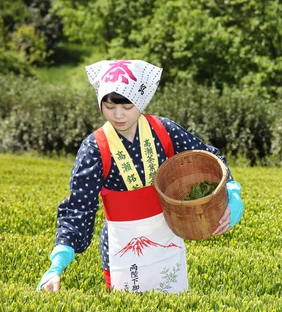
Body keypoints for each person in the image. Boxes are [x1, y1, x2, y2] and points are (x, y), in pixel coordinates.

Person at [37, 60, 244, 292]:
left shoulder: (164, 130)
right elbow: (79, 207)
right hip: (121, 246)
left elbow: (208, 159)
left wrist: (232, 192)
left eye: (127, 107)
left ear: (141, 101)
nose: (117, 115)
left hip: (167, 237)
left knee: (174, 309)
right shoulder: (94, 147)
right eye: (108, 106)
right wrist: (57, 265)